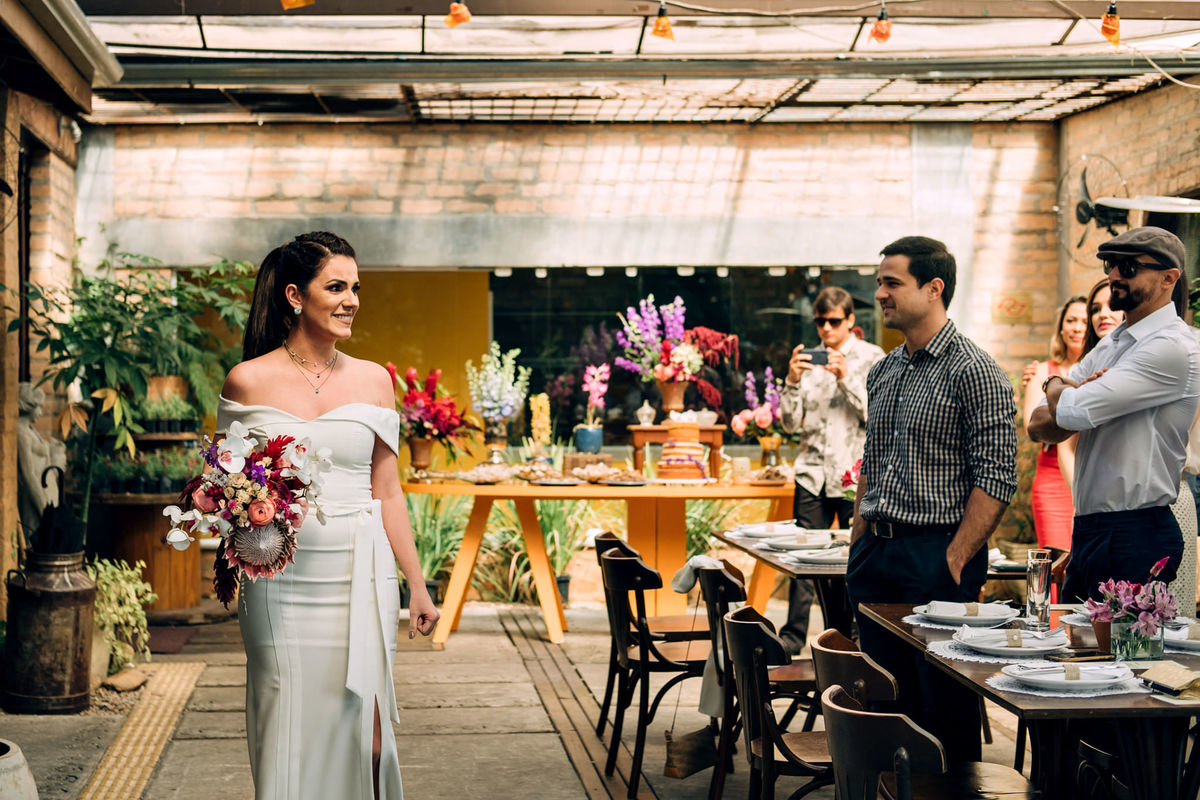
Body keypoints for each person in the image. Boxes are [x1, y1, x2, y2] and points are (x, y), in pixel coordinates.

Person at [218, 231, 439, 799]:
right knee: (284, 725)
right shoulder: (248, 380)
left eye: (355, 287)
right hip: (278, 585)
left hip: (360, 578)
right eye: (335, 286)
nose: (351, 300)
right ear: (296, 295)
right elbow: (227, 489)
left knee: (367, 737)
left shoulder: (375, 380)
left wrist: (416, 584)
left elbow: (387, 491)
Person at [848, 235, 1017, 762]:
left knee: (943, 706)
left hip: (936, 556)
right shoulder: (885, 370)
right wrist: (858, 540)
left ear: (934, 288)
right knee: (878, 699)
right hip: (876, 554)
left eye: (891, 282)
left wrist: (956, 556)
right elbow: (872, 463)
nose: (879, 293)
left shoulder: (975, 370)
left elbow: (998, 472)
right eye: (879, 282)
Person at [1029, 226, 1200, 603]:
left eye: (1128, 266)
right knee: (1078, 653)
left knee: (1127, 660)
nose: (1113, 276)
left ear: (1169, 278)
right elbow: (1038, 425)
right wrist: (1063, 392)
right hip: (1092, 527)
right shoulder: (1113, 343)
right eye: (1110, 264)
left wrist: (1055, 384)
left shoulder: (1174, 347)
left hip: (1136, 529)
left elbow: (1072, 412)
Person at [778, 285, 883, 652]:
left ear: (851, 321)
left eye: (833, 321)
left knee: (849, 559)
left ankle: (842, 638)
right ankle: (792, 637)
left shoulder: (872, 358)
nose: (826, 329)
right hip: (811, 472)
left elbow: (876, 415)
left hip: (852, 475)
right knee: (802, 558)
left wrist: (845, 376)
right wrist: (790, 382)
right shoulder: (808, 360)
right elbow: (789, 425)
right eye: (820, 322)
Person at [1022, 297, 1087, 553]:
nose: (1077, 327)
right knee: (1057, 561)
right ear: (1061, 328)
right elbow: (1032, 427)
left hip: (1092, 473)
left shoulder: (1102, 366)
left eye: (1083, 321)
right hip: (1051, 478)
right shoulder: (1042, 371)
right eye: (1071, 321)